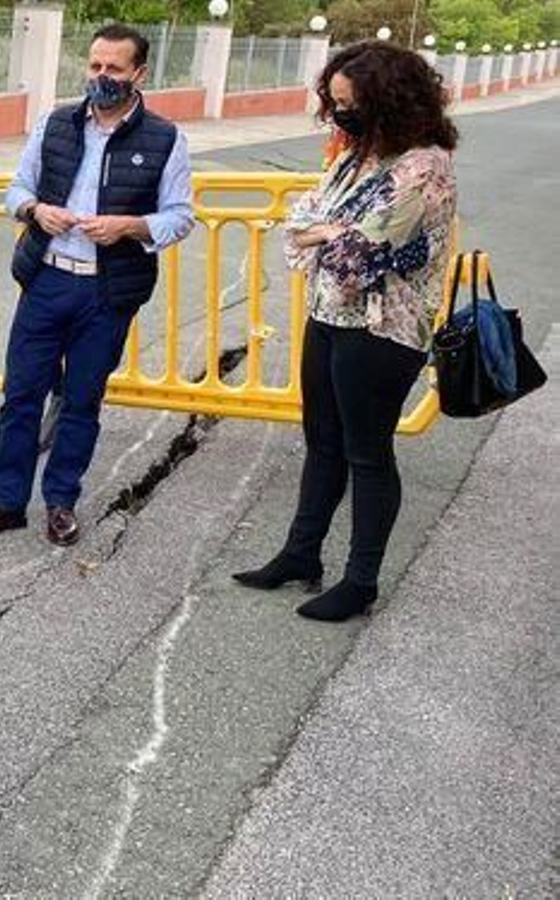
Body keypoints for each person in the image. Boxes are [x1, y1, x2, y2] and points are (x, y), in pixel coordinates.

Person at [233, 41, 457, 622]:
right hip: (330, 315)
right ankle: (301, 554)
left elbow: (358, 256)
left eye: (349, 104)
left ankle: (361, 580)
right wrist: (328, 230)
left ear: (390, 101)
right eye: (332, 104)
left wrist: (326, 233)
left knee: (367, 453)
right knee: (322, 442)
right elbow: (300, 221)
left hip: (383, 330)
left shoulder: (423, 166)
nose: (337, 115)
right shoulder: (357, 156)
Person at [0, 24, 195, 547]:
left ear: (138, 73)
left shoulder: (165, 138)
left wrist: (129, 227)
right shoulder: (55, 125)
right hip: (47, 280)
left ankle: (60, 502)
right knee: (21, 395)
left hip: (107, 294)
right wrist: (35, 210)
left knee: (82, 401)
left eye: (113, 68)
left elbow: (180, 216)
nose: (101, 76)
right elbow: (16, 189)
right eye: (94, 66)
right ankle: (7, 502)